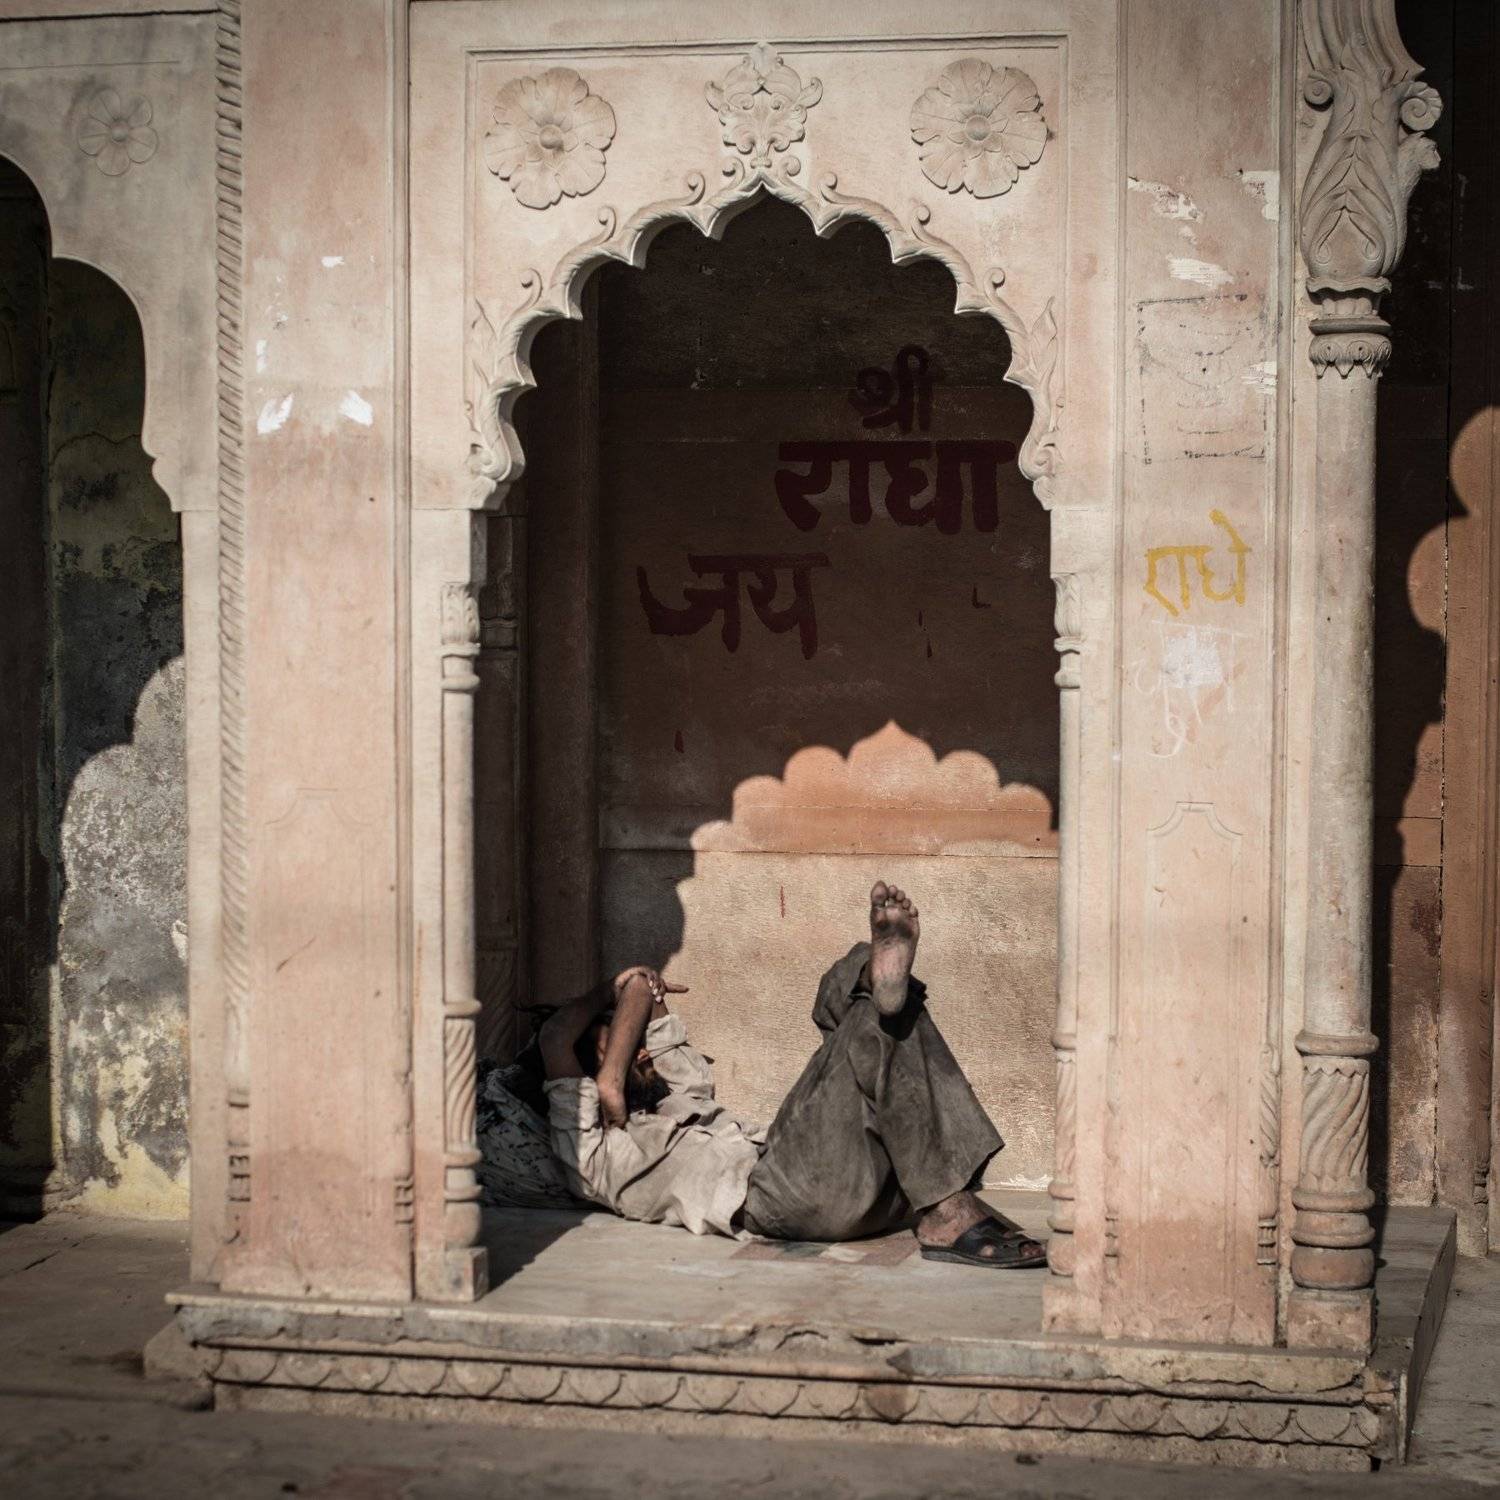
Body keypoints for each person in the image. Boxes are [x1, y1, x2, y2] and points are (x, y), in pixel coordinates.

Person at [538, 881, 1046, 1269]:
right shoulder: (590, 1153)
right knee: (870, 1023)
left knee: (863, 996)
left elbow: (643, 992)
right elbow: (556, 1035)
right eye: (617, 1048)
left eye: (634, 1046)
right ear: (583, 1074)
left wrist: (616, 1055)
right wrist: (609, 1079)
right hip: (774, 1198)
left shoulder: (675, 1089)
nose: (642, 1052)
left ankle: (876, 976)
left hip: (849, 1185)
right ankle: (946, 1212)